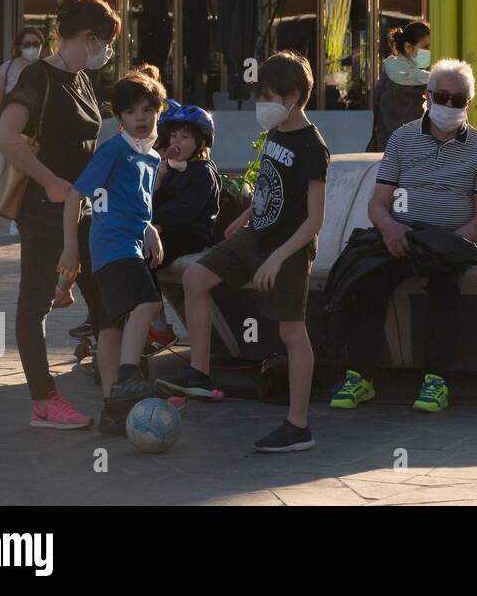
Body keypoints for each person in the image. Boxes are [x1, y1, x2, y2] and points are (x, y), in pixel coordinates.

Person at [159, 51, 329, 454]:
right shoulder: (276, 134)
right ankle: (200, 372)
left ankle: (298, 425)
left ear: (291, 98)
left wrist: (277, 258)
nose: (259, 105)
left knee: (291, 332)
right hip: (256, 236)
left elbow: (315, 219)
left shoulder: (311, 146)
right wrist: (249, 213)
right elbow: (273, 184)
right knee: (195, 277)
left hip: (288, 249)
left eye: (266, 96)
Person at [330, 59, 477, 414]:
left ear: (469, 103)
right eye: (442, 96)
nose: (449, 104)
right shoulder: (402, 138)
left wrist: (449, 243)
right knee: (369, 280)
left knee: (444, 289)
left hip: (448, 240)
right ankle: (359, 376)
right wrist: (391, 229)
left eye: (458, 99)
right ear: (427, 96)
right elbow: (378, 205)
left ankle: (436, 380)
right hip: (401, 235)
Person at [0, 0, 121, 430]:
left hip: (81, 210)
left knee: (106, 303)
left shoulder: (81, 77)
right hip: (45, 210)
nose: (106, 52)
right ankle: (44, 401)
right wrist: (50, 182)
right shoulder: (38, 78)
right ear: (87, 36)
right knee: (35, 305)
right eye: (105, 43)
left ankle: (116, 396)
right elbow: (5, 137)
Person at [56, 65, 167, 435]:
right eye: (131, 112)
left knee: (111, 327)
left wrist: (150, 228)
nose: (140, 118)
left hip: (129, 244)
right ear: (119, 117)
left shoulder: (150, 157)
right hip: (111, 246)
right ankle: (128, 375)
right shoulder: (114, 150)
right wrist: (71, 249)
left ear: (158, 112)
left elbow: (134, 203)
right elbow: (76, 194)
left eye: (147, 110)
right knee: (149, 305)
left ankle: (112, 410)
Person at [145, 102, 221, 355]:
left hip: (190, 234)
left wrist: (157, 223)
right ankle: (145, 321)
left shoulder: (202, 172)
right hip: (166, 230)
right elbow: (152, 203)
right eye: (174, 135)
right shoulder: (174, 170)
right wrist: (160, 180)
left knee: (144, 259)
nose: (177, 141)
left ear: (200, 143)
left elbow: (185, 210)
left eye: (185, 137)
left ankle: (158, 326)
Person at [366, 20, 431, 152]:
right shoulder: (408, 79)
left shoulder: (390, 72)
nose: (430, 52)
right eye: (426, 47)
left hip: (386, 149)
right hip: (404, 154)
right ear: (408, 47)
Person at [0, 27, 46, 126]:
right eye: (27, 44)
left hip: (39, 128)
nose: (32, 48)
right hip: (9, 126)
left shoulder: (47, 68)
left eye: (36, 44)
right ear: (19, 46)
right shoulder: (6, 69)